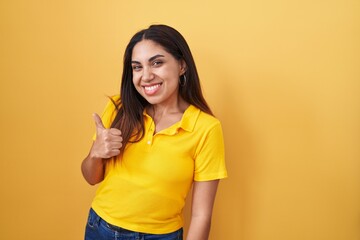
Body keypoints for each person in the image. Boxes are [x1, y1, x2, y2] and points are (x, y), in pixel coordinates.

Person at [81, 24, 227, 240]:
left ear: (182, 66)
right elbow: (91, 177)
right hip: (99, 228)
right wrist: (95, 153)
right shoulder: (119, 108)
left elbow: (201, 215)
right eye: (137, 67)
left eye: (157, 63)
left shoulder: (205, 128)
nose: (146, 76)